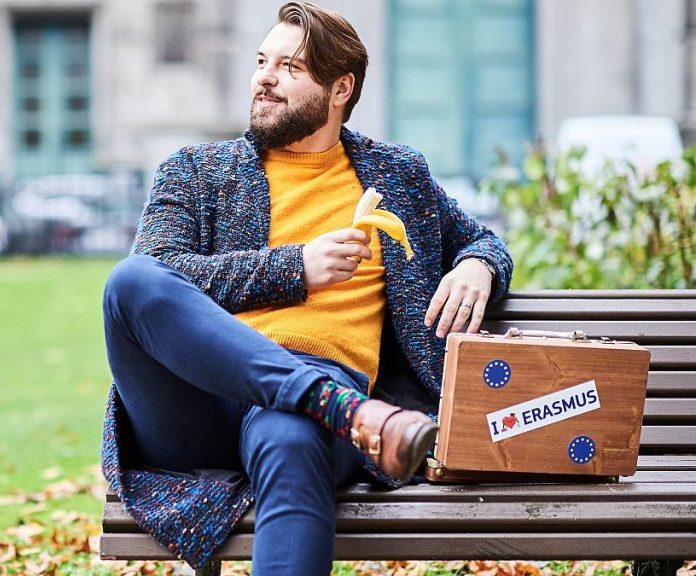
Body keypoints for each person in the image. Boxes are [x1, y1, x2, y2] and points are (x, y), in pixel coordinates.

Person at [100, 2, 513, 574]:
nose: (265, 78)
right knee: (130, 281)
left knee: (294, 437)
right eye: (262, 61)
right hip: (197, 402)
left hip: (309, 406)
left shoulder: (396, 176)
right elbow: (165, 279)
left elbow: (482, 239)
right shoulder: (197, 170)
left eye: (290, 67)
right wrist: (294, 268)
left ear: (340, 88)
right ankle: (339, 409)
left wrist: (478, 265)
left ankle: (325, 404)